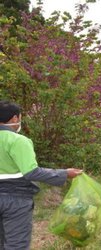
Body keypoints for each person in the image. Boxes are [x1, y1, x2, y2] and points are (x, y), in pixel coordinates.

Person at [0, 100, 83, 250]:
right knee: (16, 245)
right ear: (14, 118)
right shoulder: (19, 141)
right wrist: (64, 174)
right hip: (15, 201)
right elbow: (32, 172)